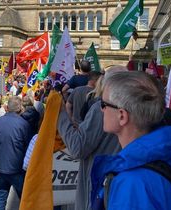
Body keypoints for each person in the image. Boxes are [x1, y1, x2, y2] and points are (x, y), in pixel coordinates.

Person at [90, 71, 171, 209]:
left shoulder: (131, 183)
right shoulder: (166, 154)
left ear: (122, 116)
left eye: (104, 104)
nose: (102, 110)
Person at [57, 66, 124, 210]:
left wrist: (60, 115)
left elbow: (77, 147)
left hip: (97, 190)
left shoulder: (103, 109)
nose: (103, 108)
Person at [0, 96, 31, 210]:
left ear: (7, 108)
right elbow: (29, 147)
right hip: (17, 169)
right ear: (20, 108)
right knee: (25, 198)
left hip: (2, 166)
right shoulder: (23, 124)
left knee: (1, 197)